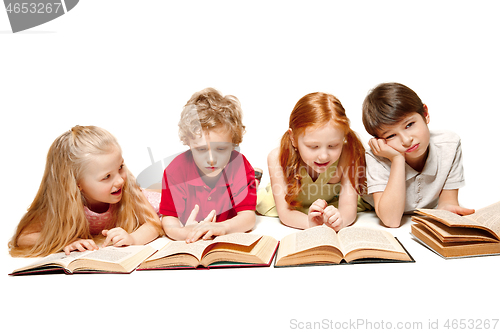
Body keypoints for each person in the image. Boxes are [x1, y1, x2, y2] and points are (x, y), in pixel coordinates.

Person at [9, 126, 163, 257]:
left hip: (156, 203)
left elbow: (153, 223)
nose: (120, 180)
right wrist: (65, 242)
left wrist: (133, 239)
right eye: (107, 176)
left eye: (120, 167)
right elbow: (24, 237)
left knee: (176, 205)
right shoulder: (63, 204)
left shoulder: (128, 187)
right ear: (76, 184)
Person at [362, 82, 474, 228]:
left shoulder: (449, 145)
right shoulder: (376, 156)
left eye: (409, 125)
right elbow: (391, 220)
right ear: (379, 140)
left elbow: (447, 202)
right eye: (391, 135)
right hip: (365, 207)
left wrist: (446, 211)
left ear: (425, 114)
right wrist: (397, 159)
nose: (406, 140)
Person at [256, 92, 370, 230]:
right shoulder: (276, 158)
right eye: (313, 146)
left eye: (333, 146)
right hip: (291, 207)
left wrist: (340, 220)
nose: (323, 156)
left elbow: (348, 206)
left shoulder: (348, 153)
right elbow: (285, 213)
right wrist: (310, 224)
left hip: (331, 203)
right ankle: (253, 180)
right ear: (293, 138)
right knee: (245, 199)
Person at [160, 88, 256, 243]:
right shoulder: (175, 171)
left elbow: (248, 217)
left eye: (221, 149)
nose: (211, 159)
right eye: (201, 149)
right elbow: (169, 219)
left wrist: (223, 227)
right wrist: (183, 233)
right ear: (188, 143)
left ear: (233, 144)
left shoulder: (240, 166)